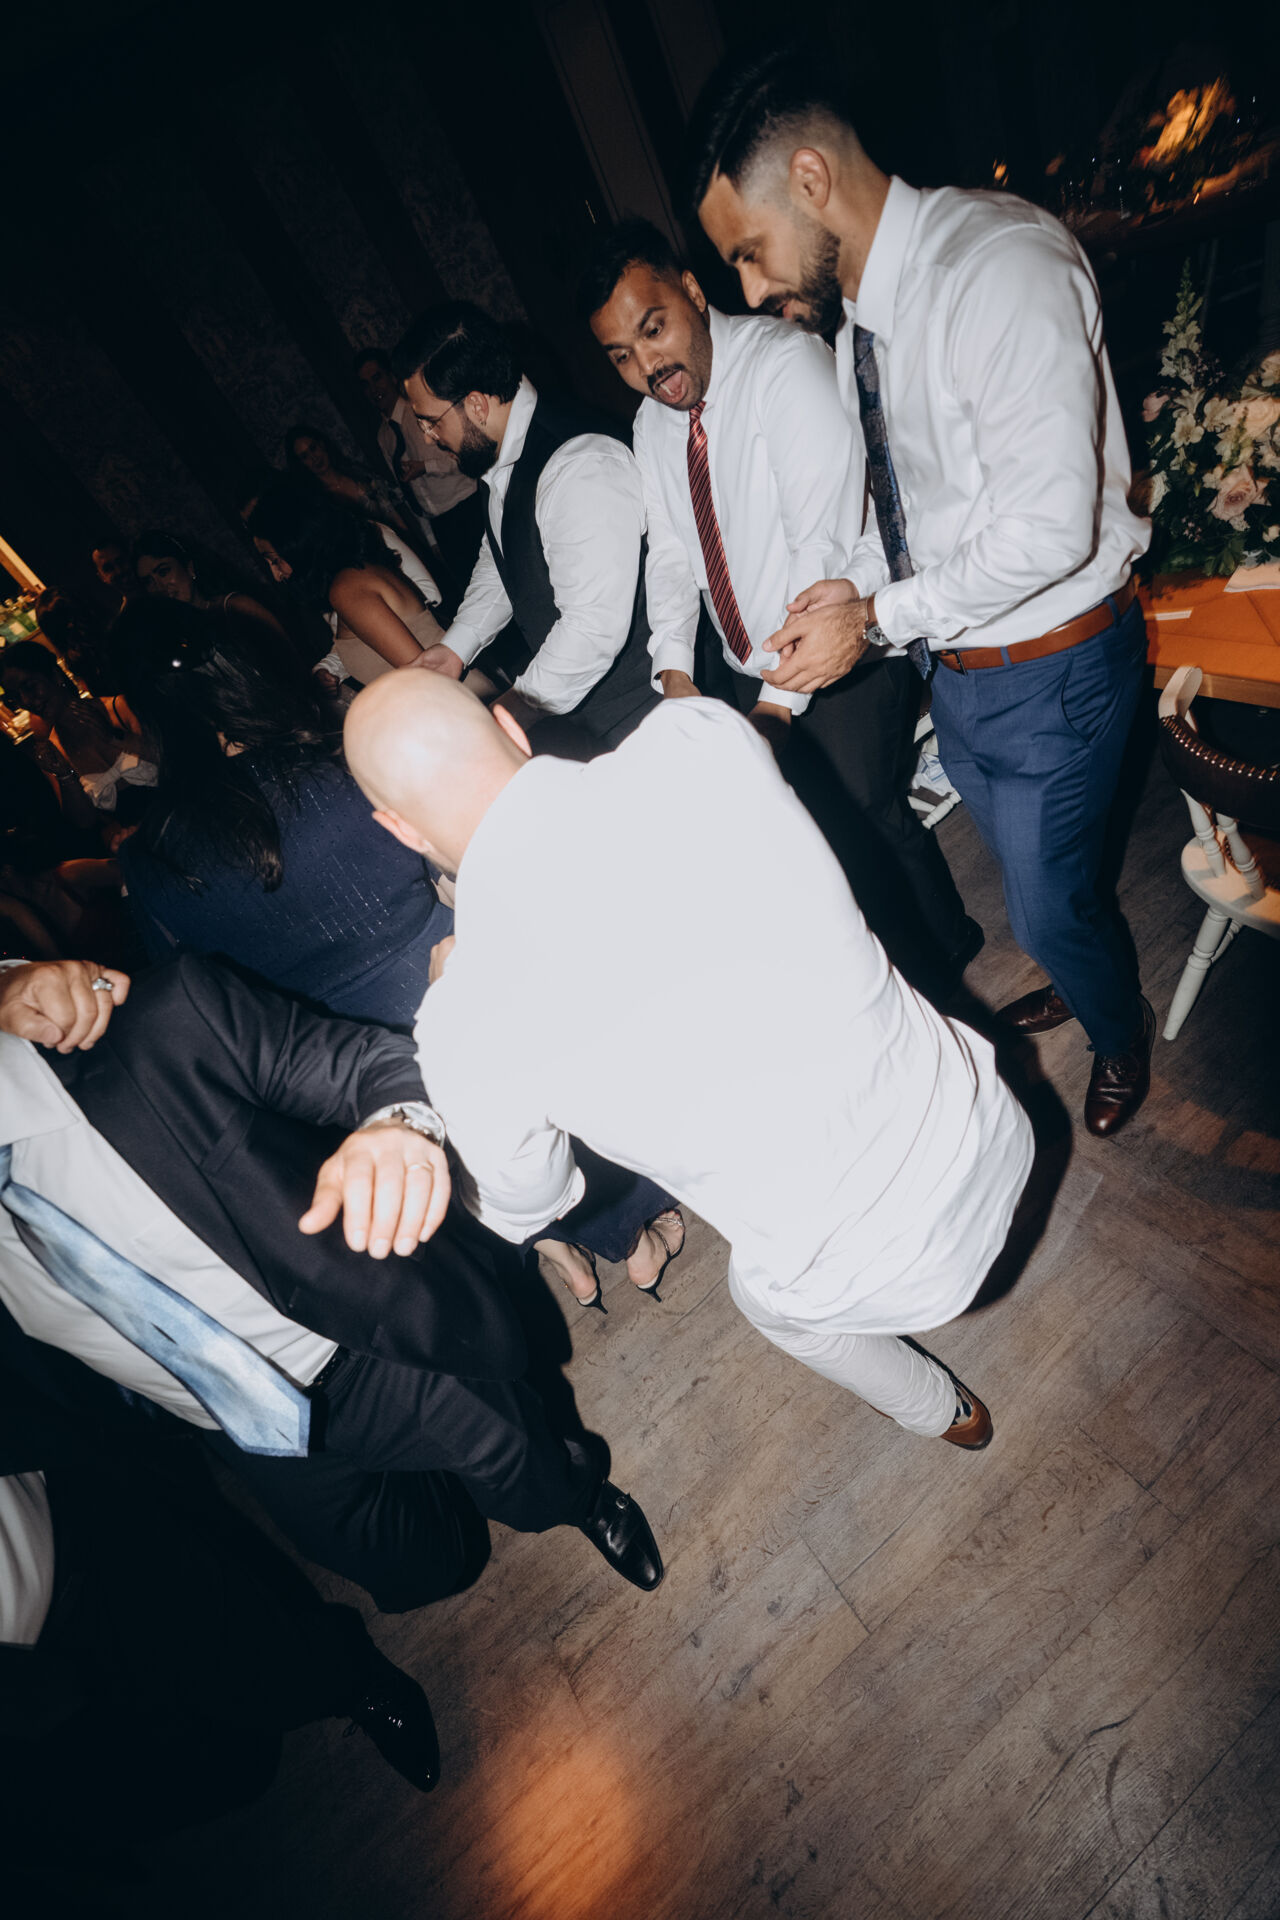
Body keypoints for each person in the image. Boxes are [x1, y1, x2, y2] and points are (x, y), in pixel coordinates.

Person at [344, 674, 1035, 1447]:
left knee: (760, 1299)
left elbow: (528, 1206)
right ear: (508, 725)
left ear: (398, 828)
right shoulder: (697, 739)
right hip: (988, 1121)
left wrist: (446, 1041)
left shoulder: (464, 1022)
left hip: (874, 1266)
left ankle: (943, 1413)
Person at [686, 41, 1154, 1137]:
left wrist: (878, 619)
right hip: (964, 668)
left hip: (1057, 662)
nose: (748, 289)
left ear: (810, 179)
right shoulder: (865, 320)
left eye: (748, 253)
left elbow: (1046, 528)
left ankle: (1119, 1025)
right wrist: (841, 596)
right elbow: (907, 514)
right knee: (1038, 895)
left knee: (1046, 902)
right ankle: (1080, 975)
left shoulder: (996, 266)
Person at [0, 955, 666, 1642]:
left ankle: (583, 1497)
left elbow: (374, 1065)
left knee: (528, 1478)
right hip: (242, 1427)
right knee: (427, 1568)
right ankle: (440, 1457)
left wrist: (399, 1124)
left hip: (367, 1347)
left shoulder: (152, 1025)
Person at [110, 595, 679, 1301]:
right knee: (536, 1088)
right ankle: (632, 1235)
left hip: (339, 1060)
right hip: (453, 984)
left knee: (467, 1137)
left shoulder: (149, 860)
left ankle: (554, 1243)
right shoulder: (329, 767)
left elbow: (196, 991)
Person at [581, 216, 977, 993]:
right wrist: (674, 670)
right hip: (750, 659)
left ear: (693, 292)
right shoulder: (652, 425)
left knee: (865, 816)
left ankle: (947, 963)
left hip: (844, 645)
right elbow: (672, 552)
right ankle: (877, 974)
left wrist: (774, 712)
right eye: (621, 354)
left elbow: (818, 548)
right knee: (806, 834)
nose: (647, 365)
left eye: (653, 329)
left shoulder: (782, 366)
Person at [0, 1352, 441, 1836]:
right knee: (202, 1770)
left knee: (246, 1648)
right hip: (31, 1681)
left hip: (72, 1527)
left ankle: (358, 1681)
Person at [393, 300, 659, 752]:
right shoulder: (499, 454)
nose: (427, 438)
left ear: (476, 404)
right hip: (598, 719)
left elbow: (592, 629)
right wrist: (455, 648)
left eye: (430, 422)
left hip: (650, 711)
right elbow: (504, 561)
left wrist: (510, 711)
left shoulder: (578, 465)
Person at [247, 476, 445, 685]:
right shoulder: (349, 577)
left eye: (274, 560)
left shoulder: (347, 589)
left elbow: (429, 679)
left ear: (298, 546)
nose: (276, 574)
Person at [355, 347, 485, 599]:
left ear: (392, 377)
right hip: (441, 525)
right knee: (475, 593)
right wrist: (431, 539)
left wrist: (425, 467)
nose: (373, 388)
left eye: (377, 377)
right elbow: (410, 491)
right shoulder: (384, 436)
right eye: (365, 384)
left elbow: (461, 458)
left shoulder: (420, 411)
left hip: (469, 507)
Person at [0, 640, 155, 816]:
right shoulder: (55, 745)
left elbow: (169, 764)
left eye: (30, 687)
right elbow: (85, 821)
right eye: (14, 697)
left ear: (54, 675)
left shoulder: (119, 708)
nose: (26, 701)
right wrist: (64, 775)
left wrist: (113, 741)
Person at [131, 527, 294, 658]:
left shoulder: (235, 607)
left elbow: (290, 659)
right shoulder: (175, 639)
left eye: (163, 572)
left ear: (189, 568)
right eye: (148, 582)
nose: (159, 587)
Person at [284, 422, 415, 540]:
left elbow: (393, 509)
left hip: (401, 542)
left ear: (321, 444)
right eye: (305, 456)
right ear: (301, 464)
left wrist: (410, 540)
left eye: (313, 448)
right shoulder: (319, 502)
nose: (314, 458)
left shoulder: (358, 472)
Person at [90, 540, 141, 615]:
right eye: (108, 568)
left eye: (121, 561)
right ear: (102, 577)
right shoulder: (127, 618)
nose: (119, 571)